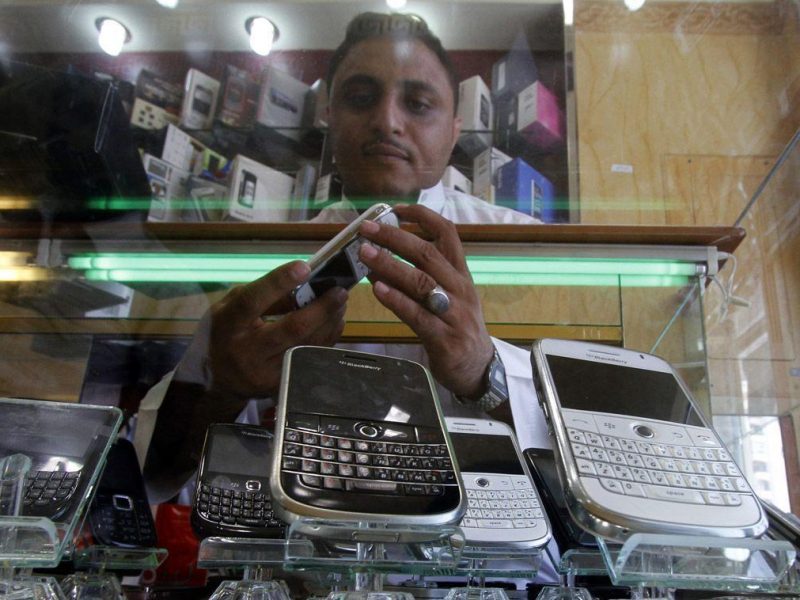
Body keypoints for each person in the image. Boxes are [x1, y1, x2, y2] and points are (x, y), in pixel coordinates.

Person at [135, 11, 550, 512]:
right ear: (329, 113)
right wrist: (222, 389)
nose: (387, 122)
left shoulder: (528, 248)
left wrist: (484, 373)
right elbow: (151, 478)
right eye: (359, 98)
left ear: (455, 128)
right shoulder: (270, 264)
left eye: (418, 104)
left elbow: (583, 465)